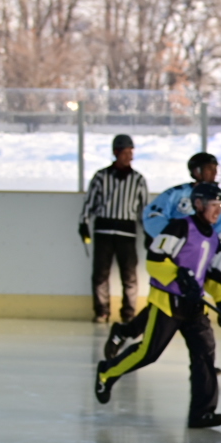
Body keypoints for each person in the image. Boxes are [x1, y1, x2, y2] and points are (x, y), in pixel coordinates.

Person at [94, 182, 221, 428]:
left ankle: (202, 413)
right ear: (198, 205)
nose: (218, 211)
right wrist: (178, 278)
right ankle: (106, 373)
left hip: (195, 309)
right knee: (147, 354)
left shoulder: (214, 239)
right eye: (213, 205)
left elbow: (213, 279)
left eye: (220, 206)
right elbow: (155, 260)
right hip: (168, 304)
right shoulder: (180, 227)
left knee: (205, 356)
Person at [79, 134, 149, 324]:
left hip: (127, 233)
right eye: (125, 152)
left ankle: (128, 313)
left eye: (131, 152)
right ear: (116, 153)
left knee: (130, 275)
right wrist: (84, 222)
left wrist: (149, 231)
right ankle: (102, 311)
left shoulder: (138, 180)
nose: (129, 157)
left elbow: (143, 209)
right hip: (104, 231)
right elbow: (90, 202)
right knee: (100, 274)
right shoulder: (101, 176)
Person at [144, 152, 221, 245]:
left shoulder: (219, 197)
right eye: (209, 168)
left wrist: (216, 249)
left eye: (215, 168)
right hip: (171, 249)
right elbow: (153, 216)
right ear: (197, 171)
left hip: (201, 250)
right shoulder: (176, 193)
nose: (214, 172)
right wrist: (172, 239)